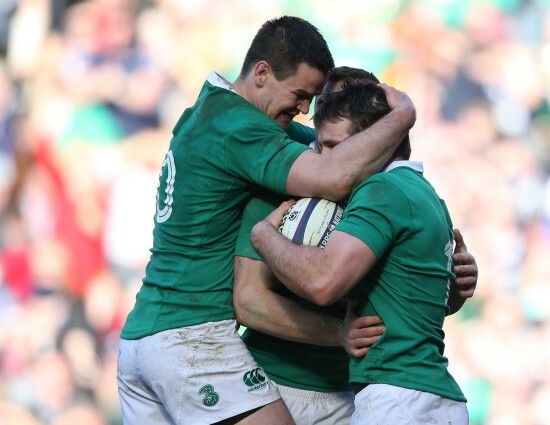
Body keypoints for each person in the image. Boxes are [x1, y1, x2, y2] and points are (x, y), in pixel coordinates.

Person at [117, 16, 416, 425]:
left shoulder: (209, 113)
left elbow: (331, 148)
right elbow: (334, 173)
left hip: (142, 339)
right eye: (300, 94)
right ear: (262, 73)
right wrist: (402, 117)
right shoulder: (241, 129)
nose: (304, 110)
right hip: (191, 333)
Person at [233, 67, 478, 424]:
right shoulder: (427, 195)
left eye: (334, 145)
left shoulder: (382, 192)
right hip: (292, 384)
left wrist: (264, 236)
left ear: (376, 137)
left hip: (387, 395)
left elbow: (324, 282)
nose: (324, 156)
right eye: (320, 143)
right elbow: (248, 300)